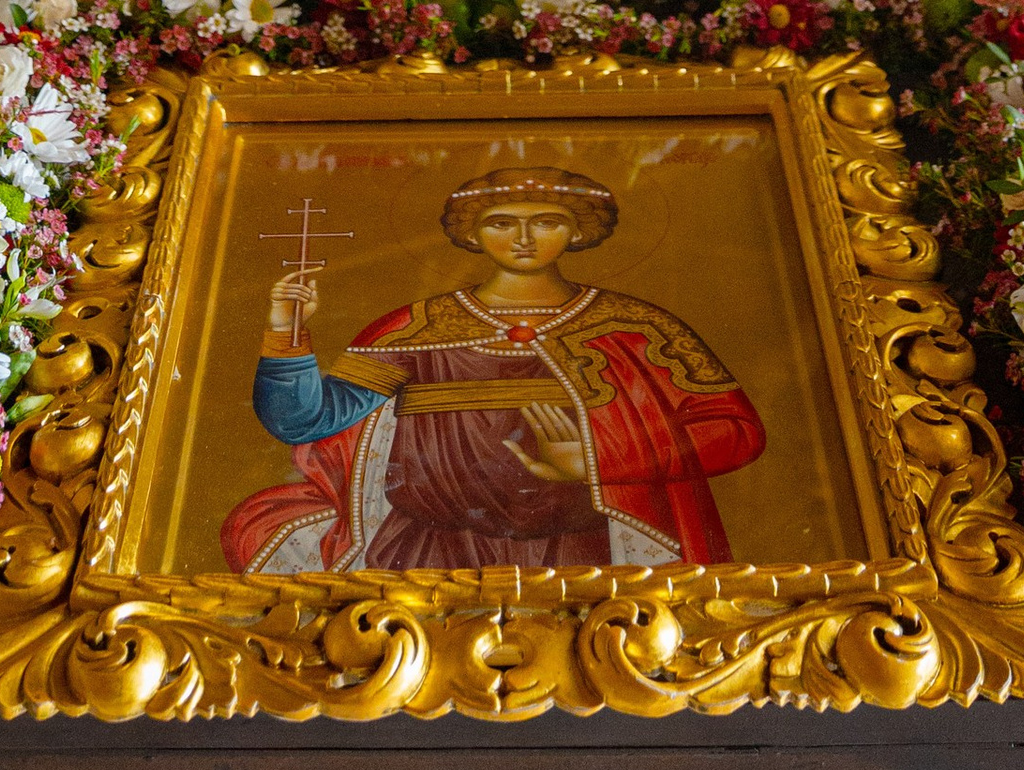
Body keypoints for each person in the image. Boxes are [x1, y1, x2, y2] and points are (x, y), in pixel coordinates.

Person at [224, 166, 765, 575]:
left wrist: (599, 460)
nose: (524, 238)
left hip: (584, 550)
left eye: (547, 222)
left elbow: (735, 431)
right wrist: (285, 333)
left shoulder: (636, 327)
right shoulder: (417, 327)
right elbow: (306, 421)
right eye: (502, 223)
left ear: (578, 232)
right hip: (428, 550)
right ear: (473, 233)